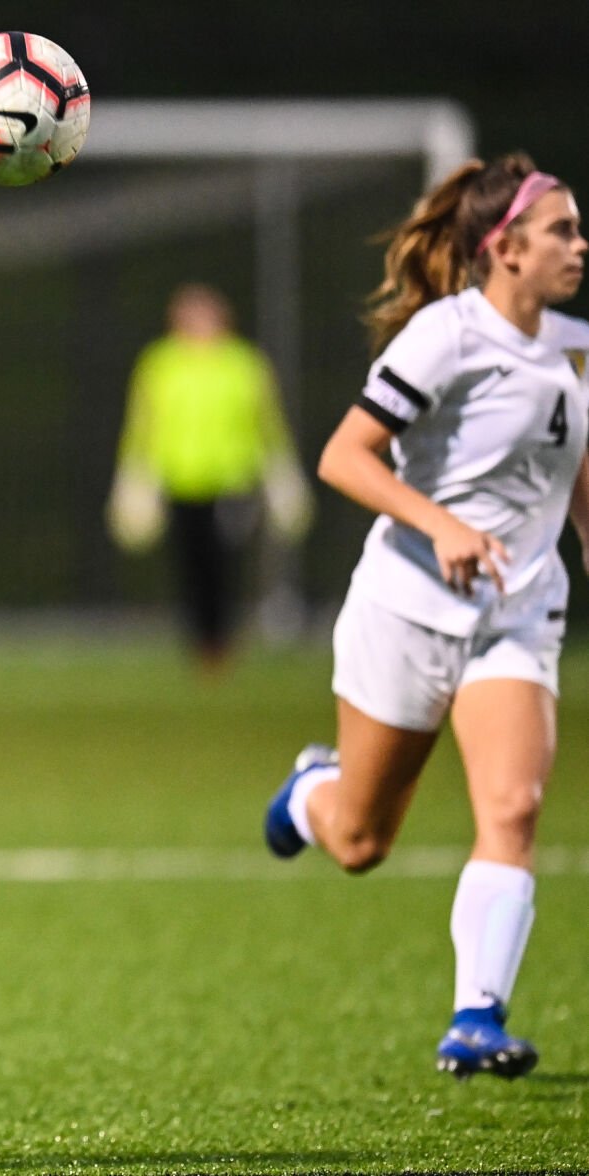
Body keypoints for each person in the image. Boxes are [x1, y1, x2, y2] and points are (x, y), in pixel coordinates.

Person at [263, 153, 588, 1078]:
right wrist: (439, 523)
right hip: (407, 608)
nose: (580, 243)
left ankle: (476, 1016)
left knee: (513, 808)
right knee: (362, 842)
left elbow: (572, 464)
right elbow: (345, 457)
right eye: (561, 228)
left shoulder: (576, 345)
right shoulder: (446, 337)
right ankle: (306, 794)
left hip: (517, 614)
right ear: (505, 248)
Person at [107, 284, 313, 671]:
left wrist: (281, 473)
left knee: (223, 563)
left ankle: (222, 641)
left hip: (232, 480)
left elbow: (268, 423)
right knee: (190, 564)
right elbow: (141, 424)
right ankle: (198, 641)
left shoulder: (244, 363)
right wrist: (133, 477)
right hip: (180, 480)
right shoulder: (159, 363)